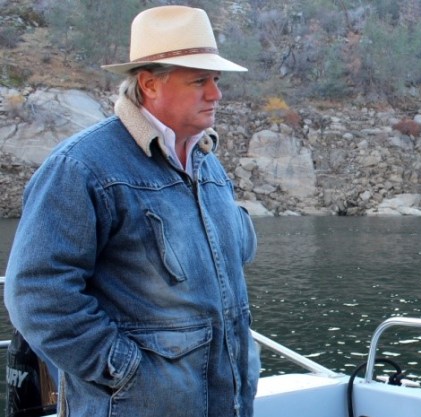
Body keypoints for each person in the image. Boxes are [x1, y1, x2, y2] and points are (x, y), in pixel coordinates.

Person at [4, 5, 258, 417]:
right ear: (149, 84)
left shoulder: (206, 161)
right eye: (199, 81)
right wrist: (125, 370)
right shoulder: (81, 167)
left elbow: (237, 251)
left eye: (215, 80)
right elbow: (38, 294)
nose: (216, 94)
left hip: (228, 402)